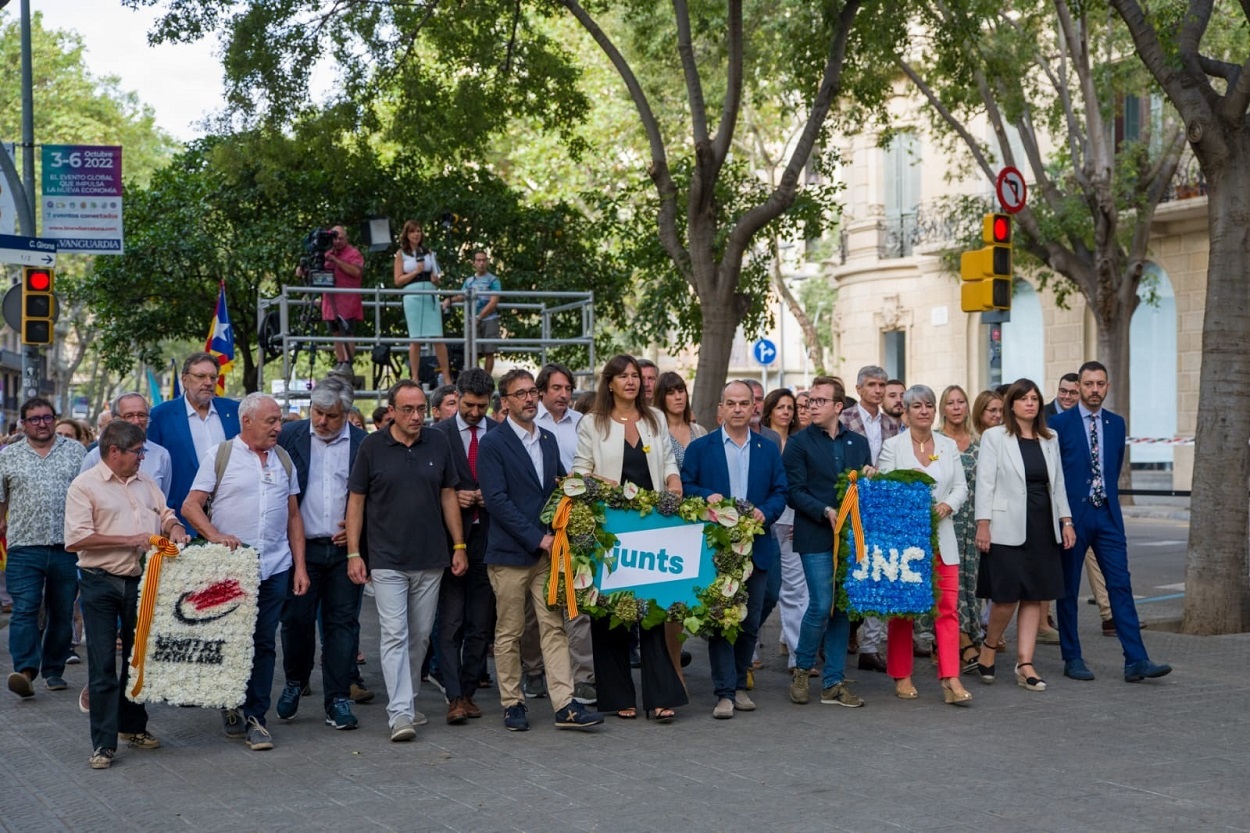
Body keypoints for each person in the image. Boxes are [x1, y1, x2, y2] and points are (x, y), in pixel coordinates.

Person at [478, 369, 604, 731]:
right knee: (510, 631)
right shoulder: (493, 443)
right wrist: (538, 538)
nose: (530, 399)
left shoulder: (548, 439)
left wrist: (592, 487)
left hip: (548, 555)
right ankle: (512, 702)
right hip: (510, 555)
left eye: (533, 392)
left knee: (554, 628)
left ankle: (564, 704)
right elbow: (497, 501)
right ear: (506, 402)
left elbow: (561, 489)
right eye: (521, 394)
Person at [182, 393, 309, 750]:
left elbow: (294, 517)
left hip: (275, 566)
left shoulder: (283, 459)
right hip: (232, 571)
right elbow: (190, 506)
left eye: (279, 420)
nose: (278, 428)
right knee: (232, 640)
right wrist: (215, 536)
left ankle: (256, 716)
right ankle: (230, 702)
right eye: (271, 421)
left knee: (265, 642)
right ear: (247, 421)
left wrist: (300, 566)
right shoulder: (220, 456)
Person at [345, 380, 465, 742]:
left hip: (431, 557)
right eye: (408, 409)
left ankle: (408, 700)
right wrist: (354, 553)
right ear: (391, 411)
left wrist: (459, 544)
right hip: (386, 558)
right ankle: (399, 713)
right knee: (395, 634)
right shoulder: (371, 446)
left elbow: (448, 495)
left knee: (420, 636)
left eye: (421, 410)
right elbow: (356, 502)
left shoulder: (438, 442)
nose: (416, 416)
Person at [64, 421, 189, 769]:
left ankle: (133, 727)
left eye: (143, 452)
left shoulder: (145, 481)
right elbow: (75, 539)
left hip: (140, 582)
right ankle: (103, 744)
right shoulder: (84, 486)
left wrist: (174, 526)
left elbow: (164, 513)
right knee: (103, 664)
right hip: (99, 581)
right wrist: (130, 540)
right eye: (137, 452)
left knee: (138, 660)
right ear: (114, 451)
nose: (142, 458)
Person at [573, 354, 685, 721]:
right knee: (612, 614)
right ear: (609, 383)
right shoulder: (593, 423)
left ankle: (660, 697)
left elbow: (668, 460)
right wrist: (608, 486)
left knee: (653, 612)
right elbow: (579, 474)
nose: (631, 382)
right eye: (622, 376)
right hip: (610, 527)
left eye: (635, 376)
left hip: (651, 525)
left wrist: (674, 482)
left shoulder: (654, 419)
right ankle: (618, 696)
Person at [1050, 361, 1172, 683]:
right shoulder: (1058, 425)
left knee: (1120, 585)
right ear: (1079, 387)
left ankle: (1136, 660)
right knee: (1068, 589)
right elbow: (1056, 476)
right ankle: (1072, 657)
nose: (1094, 390)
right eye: (1088, 384)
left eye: (1099, 384)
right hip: (1072, 518)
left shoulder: (1116, 424)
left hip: (1107, 516)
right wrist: (1064, 518)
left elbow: (1112, 467)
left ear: (1107, 386)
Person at [681, 381, 787, 719]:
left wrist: (765, 512)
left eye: (744, 403)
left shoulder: (767, 448)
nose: (739, 408)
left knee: (750, 620)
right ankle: (724, 693)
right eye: (732, 403)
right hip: (717, 548)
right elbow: (686, 485)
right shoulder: (701, 448)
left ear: (753, 408)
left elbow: (780, 491)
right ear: (720, 409)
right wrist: (705, 496)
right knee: (721, 620)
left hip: (756, 544)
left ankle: (740, 684)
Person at [273, 379, 368, 731]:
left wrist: (360, 530)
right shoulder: (290, 436)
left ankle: (338, 698)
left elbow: (373, 496)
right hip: (302, 549)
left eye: (331, 415)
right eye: (317, 412)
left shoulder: (363, 444)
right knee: (296, 621)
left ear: (347, 414)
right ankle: (296, 681)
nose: (322, 421)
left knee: (342, 626)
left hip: (345, 551)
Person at [973, 379, 1074, 693]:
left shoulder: (1049, 437)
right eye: (1023, 398)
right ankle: (989, 646)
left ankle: (1025, 662)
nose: (1030, 403)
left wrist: (1066, 520)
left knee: (1035, 593)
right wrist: (983, 523)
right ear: (1011, 404)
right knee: (1005, 597)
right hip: (1005, 525)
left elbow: (1057, 484)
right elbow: (985, 482)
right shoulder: (995, 437)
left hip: (1043, 524)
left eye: (1034, 398)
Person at [877, 385, 972, 705]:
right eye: (916, 406)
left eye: (929, 405)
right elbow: (886, 490)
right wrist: (912, 505)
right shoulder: (892, 447)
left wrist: (947, 506)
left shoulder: (947, 445)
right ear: (905, 412)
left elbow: (960, 486)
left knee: (947, 610)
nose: (924, 411)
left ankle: (951, 677)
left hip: (943, 536)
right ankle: (902, 675)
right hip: (907, 539)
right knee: (904, 610)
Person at [783, 376, 871, 707]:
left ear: (838, 406)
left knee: (843, 609)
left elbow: (861, 485)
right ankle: (803, 668)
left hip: (851, 537)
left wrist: (870, 478)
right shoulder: (798, 443)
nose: (810, 406)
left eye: (819, 401)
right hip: (815, 533)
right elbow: (793, 492)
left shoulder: (858, 443)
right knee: (821, 605)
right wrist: (824, 511)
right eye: (808, 401)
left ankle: (833, 682)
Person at [2, 398, 88, 698]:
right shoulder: (8, 457)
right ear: (23, 424)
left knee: (61, 611)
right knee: (25, 608)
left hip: (68, 546)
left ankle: (53, 669)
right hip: (24, 547)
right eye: (35, 419)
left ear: (55, 419)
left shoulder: (76, 452)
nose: (42, 423)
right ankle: (25, 671)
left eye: (47, 417)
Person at [430, 369, 497, 723]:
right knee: (450, 622)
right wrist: (453, 496)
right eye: (469, 405)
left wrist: (493, 497)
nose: (474, 413)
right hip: (448, 542)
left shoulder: (499, 435)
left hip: (488, 540)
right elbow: (428, 486)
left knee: (480, 625)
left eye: (481, 406)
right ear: (458, 397)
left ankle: (469, 692)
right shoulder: (437, 435)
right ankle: (453, 695)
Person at [534, 362, 596, 705]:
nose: (563, 395)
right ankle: (535, 671)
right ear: (541, 392)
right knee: (539, 605)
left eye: (567, 389)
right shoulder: (531, 424)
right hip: (537, 525)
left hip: (576, 523)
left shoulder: (583, 424)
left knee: (578, 600)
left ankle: (583, 676)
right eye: (556, 389)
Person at [839, 365, 903, 674]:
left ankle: (870, 647)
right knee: (848, 576)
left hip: (883, 506)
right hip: (849, 504)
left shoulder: (893, 424)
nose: (878, 390)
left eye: (882, 385)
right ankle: (840, 636)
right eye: (872, 385)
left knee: (880, 572)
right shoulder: (844, 420)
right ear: (859, 388)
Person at [146, 352, 242, 529]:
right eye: (200, 376)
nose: (208, 382)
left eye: (213, 377)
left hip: (230, 515)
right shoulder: (160, 416)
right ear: (184, 380)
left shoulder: (234, 411)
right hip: (181, 517)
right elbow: (152, 465)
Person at [936, 384, 984, 668]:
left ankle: (968, 635)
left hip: (973, 523)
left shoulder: (980, 442)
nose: (956, 407)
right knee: (947, 583)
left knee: (971, 581)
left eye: (961, 402)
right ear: (943, 408)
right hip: (946, 520)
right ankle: (960, 640)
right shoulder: (936, 442)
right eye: (950, 402)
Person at [759, 388, 805, 670]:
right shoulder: (760, 439)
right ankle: (749, 653)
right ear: (770, 410)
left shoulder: (801, 442)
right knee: (760, 588)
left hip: (792, 519)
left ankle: (798, 655)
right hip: (765, 517)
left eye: (790, 407)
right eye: (780, 407)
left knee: (793, 589)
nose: (786, 412)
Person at [79, 392, 173, 501]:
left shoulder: (161, 456)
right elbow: (82, 499)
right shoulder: (95, 457)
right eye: (129, 416)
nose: (136, 421)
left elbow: (162, 502)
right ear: (115, 420)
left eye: (141, 415)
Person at [393, 220, 450, 385]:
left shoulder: (428, 252)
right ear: (407, 235)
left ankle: (446, 376)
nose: (416, 234)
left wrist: (435, 279)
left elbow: (437, 276)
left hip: (429, 293)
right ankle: (415, 377)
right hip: (413, 295)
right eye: (412, 232)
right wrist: (415, 272)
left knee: (438, 337)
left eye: (418, 231)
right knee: (415, 338)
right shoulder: (401, 254)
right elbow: (397, 280)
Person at [314, 225, 365, 372]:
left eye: (341, 238)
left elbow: (355, 271)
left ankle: (348, 363)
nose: (337, 241)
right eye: (335, 238)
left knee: (346, 331)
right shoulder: (326, 253)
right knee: (335, 332)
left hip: (347, 301)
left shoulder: (353, 253)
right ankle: (340, 360)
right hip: (330, 301)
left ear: (346, 238)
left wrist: (336, 260)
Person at [443, 250, 500, 375]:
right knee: (471, 351)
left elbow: (494, 301)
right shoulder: (469, 281)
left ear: (487, 262)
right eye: (478, 260)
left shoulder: (493, 280)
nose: (481, 263)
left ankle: (487, 378)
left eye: (484, 260)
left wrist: (479, 317)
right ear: (473, 263)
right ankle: (476, 377)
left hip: (489, 319)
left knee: (489, 351)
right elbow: (461, 296)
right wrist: (449, 300)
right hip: (471, 319)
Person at [654, 371, 706, 470]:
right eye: (671, 393)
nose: (678, 397)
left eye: (681, 391)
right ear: (661, 398)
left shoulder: (700, 431)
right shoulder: (656, 433)